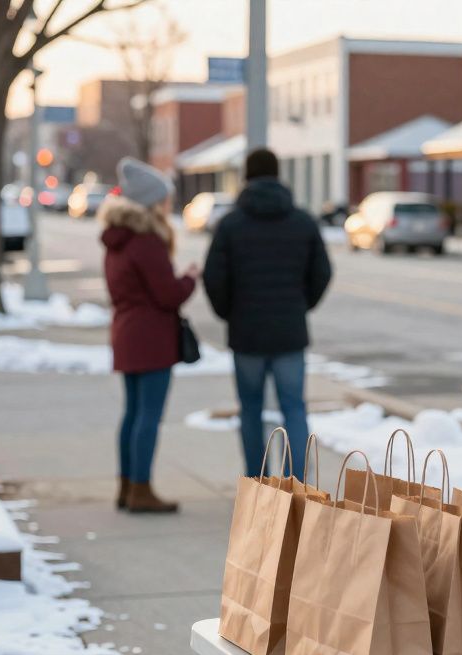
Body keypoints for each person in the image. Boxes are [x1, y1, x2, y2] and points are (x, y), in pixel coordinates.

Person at [203, 148, 331, 478]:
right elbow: (322, 273)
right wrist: (301, 305)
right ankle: (299, 486)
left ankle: (257, 483)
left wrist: (228, 312)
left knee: (250, 411)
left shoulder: (230, 224)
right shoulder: (301, 221)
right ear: (278, 175)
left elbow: (214, 277)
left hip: (246, 333)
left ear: (246, 176)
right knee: (294, 408)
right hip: (289, 330)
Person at [101, 157, 197, 513]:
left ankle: (127, 486)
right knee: (148, 416)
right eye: (163, 199)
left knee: (132, 414)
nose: (167, 205)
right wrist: (189, 278)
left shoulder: (118, 240)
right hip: (151, 338)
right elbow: (168, 294)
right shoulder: (147, 242)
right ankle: (141, 488)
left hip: (126, 333)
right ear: (149, 202)